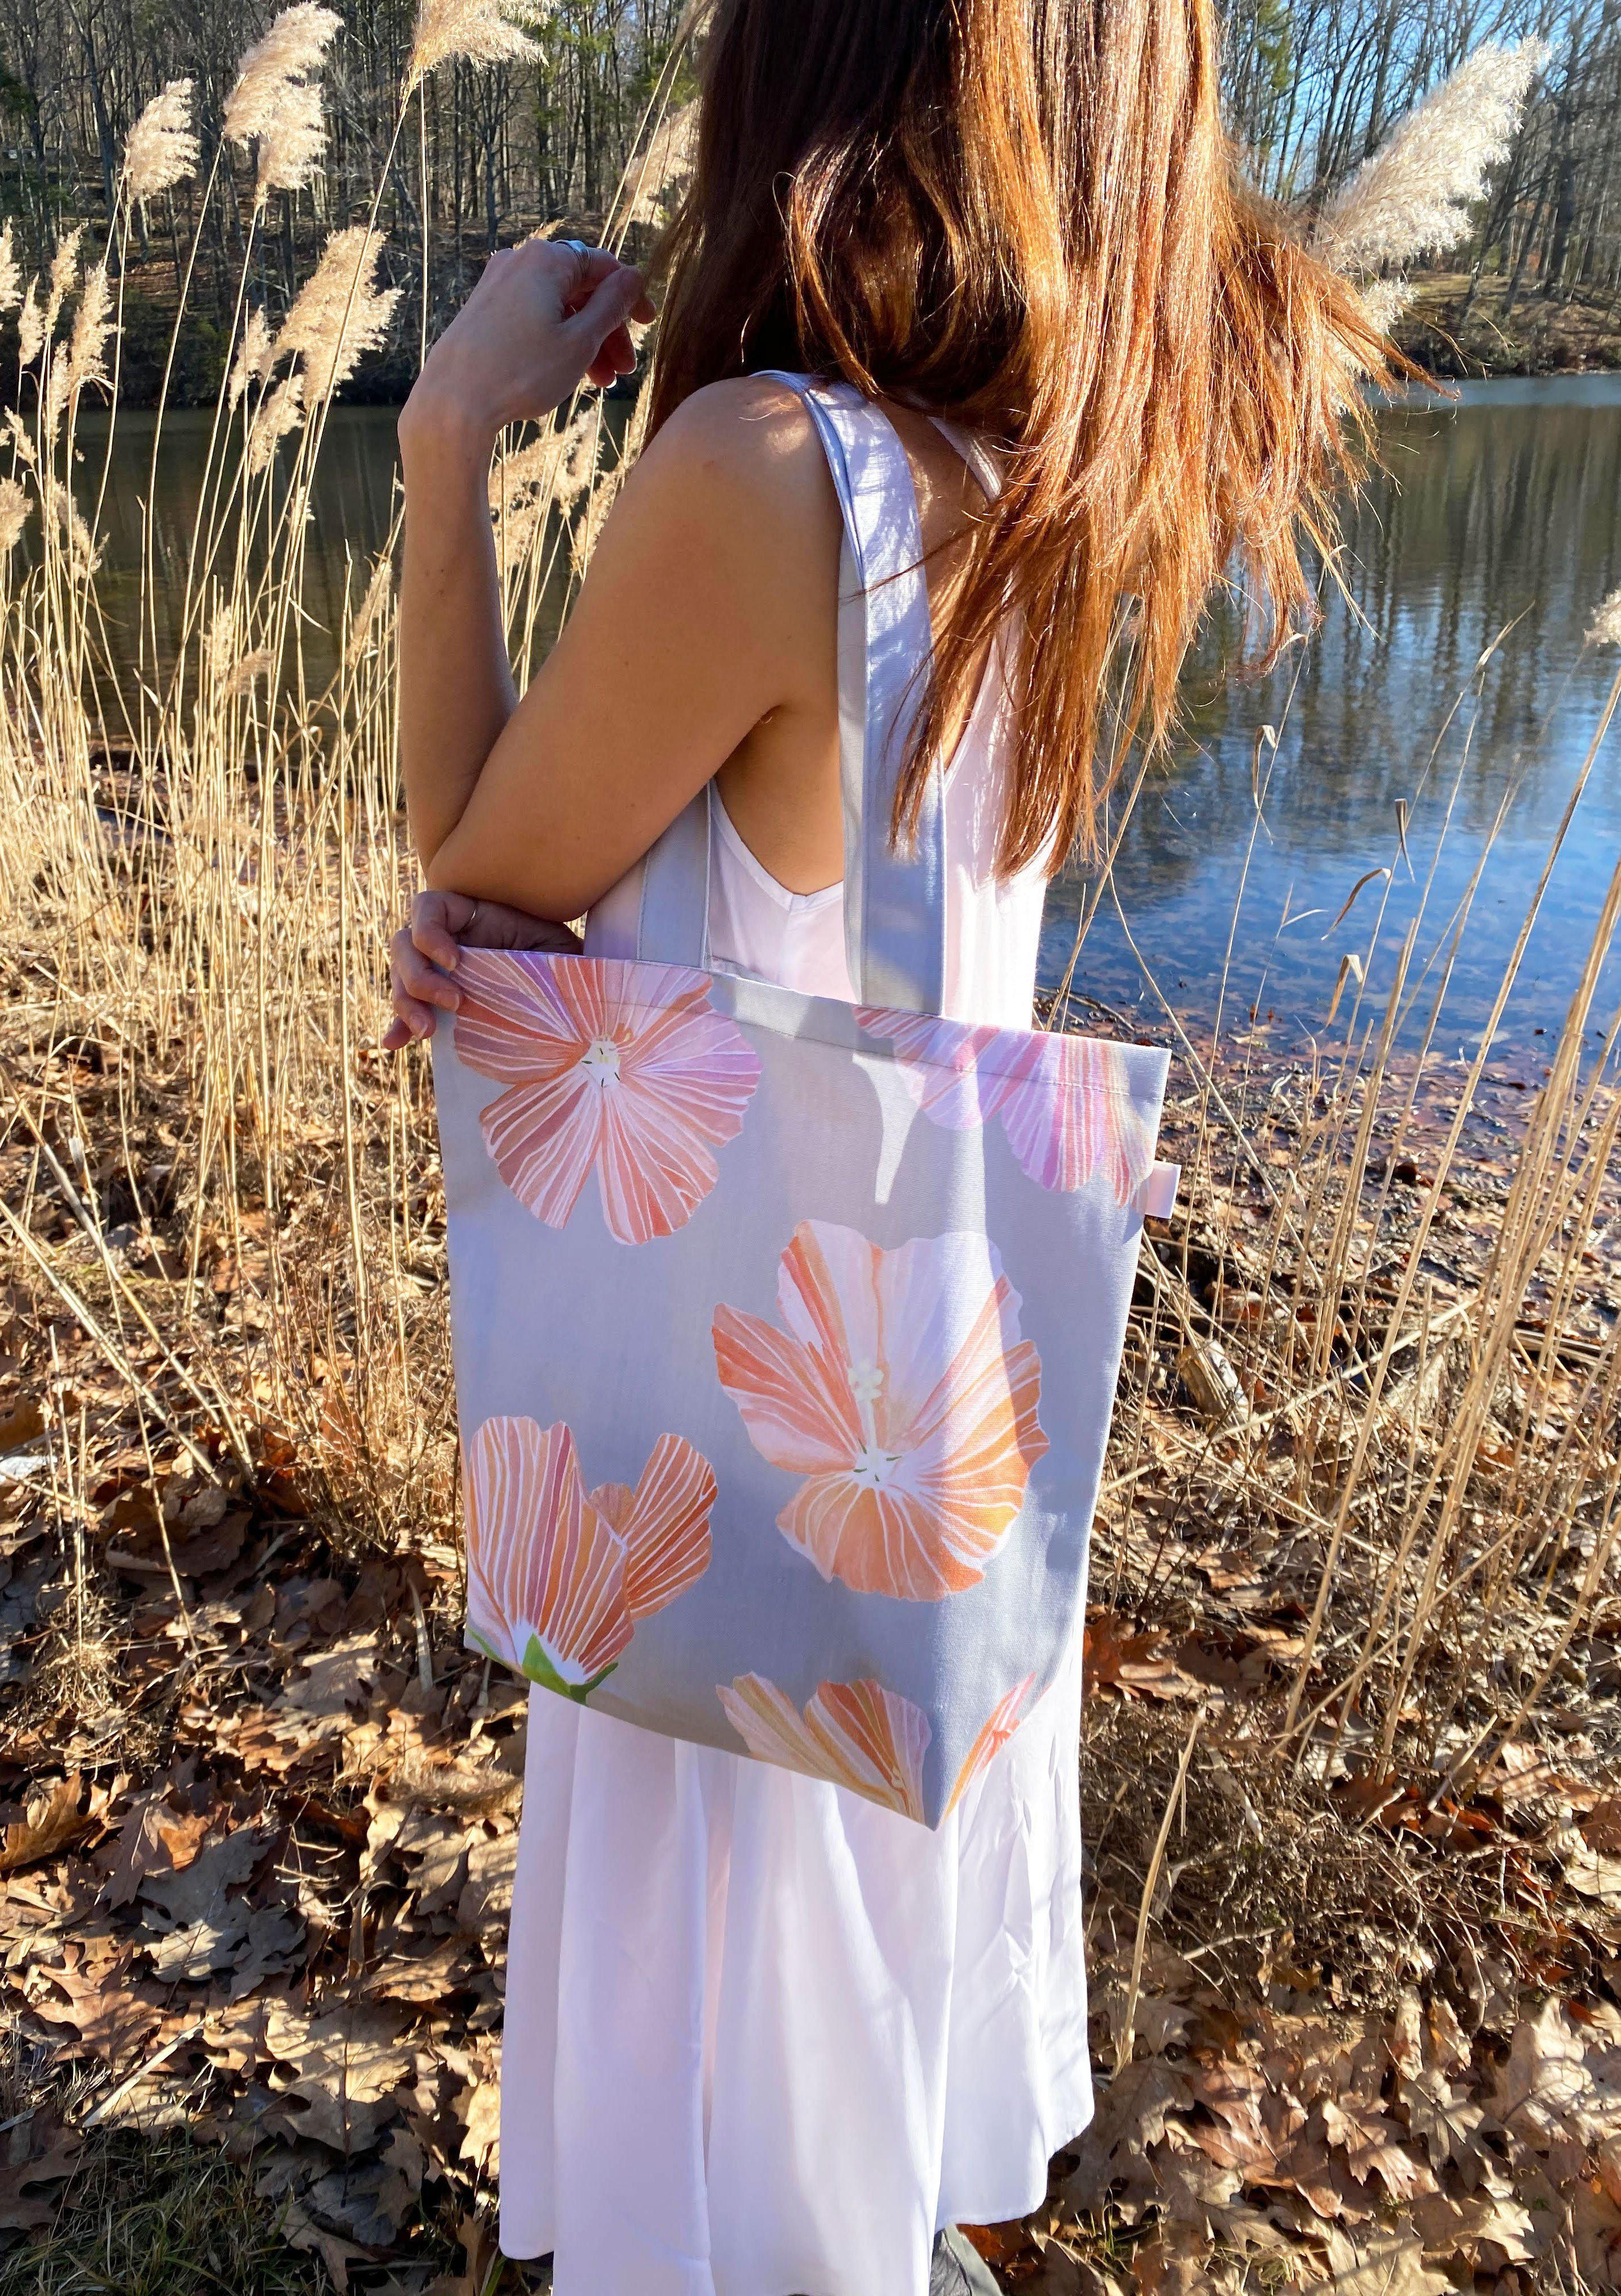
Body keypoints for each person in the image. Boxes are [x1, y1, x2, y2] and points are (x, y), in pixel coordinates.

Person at [385, 3, 1389, 2289]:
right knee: (844, 2111)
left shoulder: (766, 472)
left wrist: (449, 434)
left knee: (744, 2141)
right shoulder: (1033, 478)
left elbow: (472, 860)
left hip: (730, 1483)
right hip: (909, 1455)